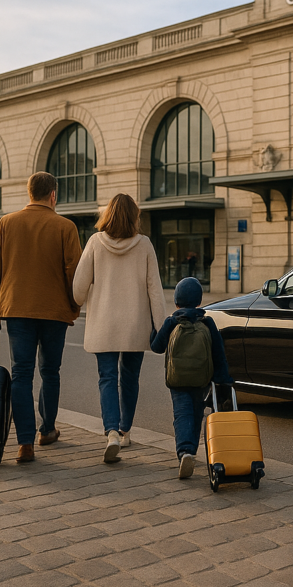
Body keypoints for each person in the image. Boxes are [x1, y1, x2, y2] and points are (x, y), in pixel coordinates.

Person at [0, 171, 82, 464]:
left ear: (29, 194)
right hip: (54, 312)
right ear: (53, 195)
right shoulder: (66, 227)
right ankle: (47, 430)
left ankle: (25, 443)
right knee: (51, 371)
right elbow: (74, 273)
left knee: (21, 374)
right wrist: (73, 307)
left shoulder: (6, 223)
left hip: (17, 310)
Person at [72, 194, 167, 463]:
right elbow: (155, 290)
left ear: (108, 215)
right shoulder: (145, 245)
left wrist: (79, 301)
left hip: (104, 325)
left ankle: (111, 431)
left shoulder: (94, 243)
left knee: (107, 378)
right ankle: (125, 430)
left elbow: (79, 289)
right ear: (134, 217)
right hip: (135, 325)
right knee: (130, 378)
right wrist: (161, 328)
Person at [150, 277, 233, 479]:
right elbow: (218, 354)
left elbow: (157, 347)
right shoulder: (207, 322)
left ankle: (184, 452)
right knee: (196, 414)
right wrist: (223, 380)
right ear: (199, 301)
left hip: (177, 379)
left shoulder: (172, 321)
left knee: (182, 414)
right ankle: (191, 451)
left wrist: (153, 330)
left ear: (177, 301)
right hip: (201, 379)